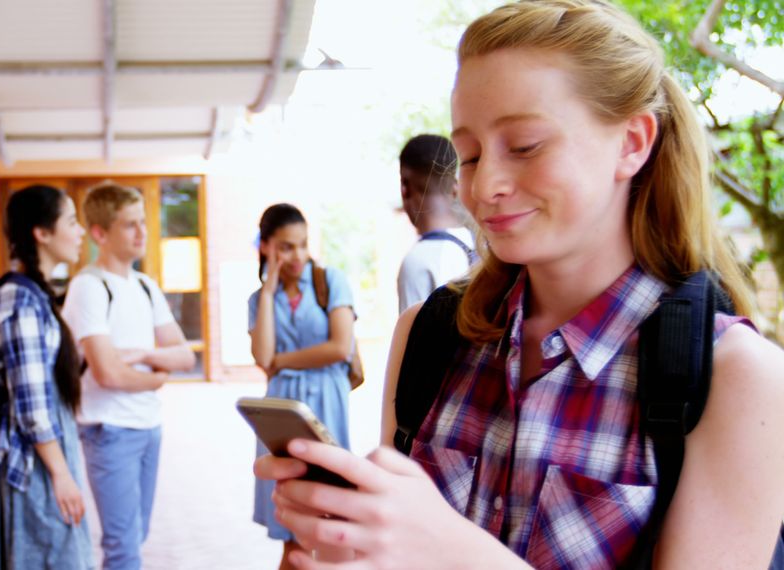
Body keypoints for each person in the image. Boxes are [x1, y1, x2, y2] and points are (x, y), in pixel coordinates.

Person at [255, 1, 784, 568]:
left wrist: (447, 548)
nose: (485, 187)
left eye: (525, 146)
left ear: (632, 142)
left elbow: (435, 548)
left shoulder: (738, 378)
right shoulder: (428, 334)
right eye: (470, 155)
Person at [61, 183, 195, 570]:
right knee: (123, 548)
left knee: (137, 537)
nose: (142, 233)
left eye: (143, 223)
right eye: (130, 225)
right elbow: (107, 373)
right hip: (110, 429)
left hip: (148, 426)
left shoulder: (144, 286)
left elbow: (184, 355)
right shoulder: (89, 287)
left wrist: (147, 355)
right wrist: (155, 378)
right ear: (100, 233)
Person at [0, 184, 93, 569]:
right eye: (72, 222)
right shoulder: (21, 300)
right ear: (41, 233)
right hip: (30, 469)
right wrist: (61, 474)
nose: (80, 232)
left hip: (38, 459)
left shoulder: (35, 296)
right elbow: (30, 405)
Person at [248, 203, 357, 569]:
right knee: (293, 526)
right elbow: (263, 356)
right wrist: (267, 292)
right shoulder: (259, 300)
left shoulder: (331, 281)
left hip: (326, 402)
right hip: (281, 411)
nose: (297, 255)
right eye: (286, 247)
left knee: (329, 517)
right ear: (266, 247)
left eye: (302, 244)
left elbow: (339, 347)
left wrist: (284, 360)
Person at [396, 134, 476, 313]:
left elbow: (413, 340)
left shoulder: (418, 262)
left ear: (405, 187)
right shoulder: (484, 248)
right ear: (455, 187)